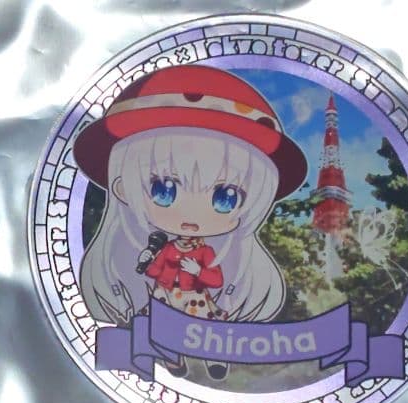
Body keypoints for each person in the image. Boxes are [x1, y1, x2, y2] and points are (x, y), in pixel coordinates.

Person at [76, 65, 306, 381]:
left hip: (195, 299)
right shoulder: (164, 247)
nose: (192, 214)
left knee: (208, 326)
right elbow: (155, 271)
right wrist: (152, 267)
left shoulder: (205, 252)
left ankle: (216, 358)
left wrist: (198, 271)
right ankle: (171, 360)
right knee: (160, 324)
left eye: (225, 197)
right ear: (123, 189)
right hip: (166, 297)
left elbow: (213, 276)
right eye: (164, 190)